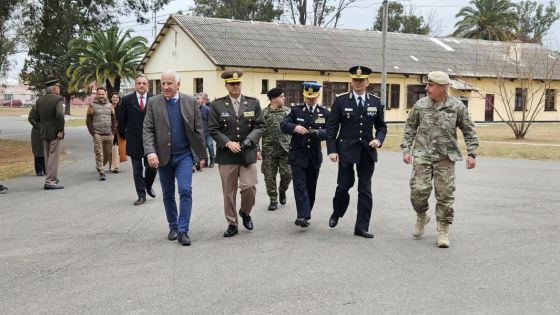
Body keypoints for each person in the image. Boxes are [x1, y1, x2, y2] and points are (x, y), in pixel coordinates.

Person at [401, 71, 479, 248]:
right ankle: (422, 216)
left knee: (445, 195)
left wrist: (472, 153)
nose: (426, 88)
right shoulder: (420, 105)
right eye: (427, 84)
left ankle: (442, 230)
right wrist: (406, 149)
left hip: (446, 157)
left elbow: (469, 130)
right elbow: (410, 128)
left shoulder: (457, 107)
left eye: (431, 85)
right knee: (418, 191)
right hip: (422, 155)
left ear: (442, 88)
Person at [143, 70, 207, 246]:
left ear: (178, 84)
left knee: (185, 190)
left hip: (184, 155)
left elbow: (198, 130)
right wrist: (150, 152)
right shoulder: (153, 102)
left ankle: (183, 230)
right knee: (168, 193)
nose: (165, 87)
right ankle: (173, 226)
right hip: (162, 156)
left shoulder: (191, 102)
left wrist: (201, 155)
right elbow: (147, 129)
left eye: (169, 83)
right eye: (163, 83)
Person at [326, 66, 387, 238]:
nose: (358, 83)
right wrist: (332, 150)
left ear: (367, 82)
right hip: (346, 150)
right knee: (343, 186)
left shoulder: (375, 102)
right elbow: (331, 128)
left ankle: (361, 227)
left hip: (367, 152)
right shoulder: (341, 101)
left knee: (365, 190)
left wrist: (379, 140)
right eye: (355, 80)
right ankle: (337, 212)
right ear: (351, 82)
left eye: (361, 80)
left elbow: (382, 126)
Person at [208, 69, 266, 238]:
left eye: (237, 83)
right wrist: (227, 142)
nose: (235, 87)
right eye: (231, 84)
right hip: (227, 156)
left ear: (241, 84)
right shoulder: (217, 105)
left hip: (247, 154)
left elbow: (260, 125)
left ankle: (245, 212)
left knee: (250, 187)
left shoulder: (253, 103)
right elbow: (213, 129)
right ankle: (232, 223)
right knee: (229, 191)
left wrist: (251, 139)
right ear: (226, 86)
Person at [281, 82, 329, 227]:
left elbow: (331, 132)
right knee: (299, 185)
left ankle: (306, 214)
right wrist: (295, 128)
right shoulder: (296, 110)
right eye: (308, 97)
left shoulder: (324, 113)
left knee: (310, 186)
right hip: (298, 154)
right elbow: (283, 125)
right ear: (304, 96)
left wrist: (319, 133)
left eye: (313, 98)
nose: (310, 100)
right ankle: (302, 215)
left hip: (314, 155)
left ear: (318, 96)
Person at [119, 75, 157, 205]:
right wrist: (126, 134)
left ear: (148, 85)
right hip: (134, 140)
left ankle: (148, 185)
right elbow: (121, 120)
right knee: (137, 169)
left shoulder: (155, 99)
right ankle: (141, 195)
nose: (141, 85)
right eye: (139, 83)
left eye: (144, 83)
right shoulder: (126, 100)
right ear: (135, 85)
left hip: (151, 140)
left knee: (152, 167)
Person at [28, 78, 65, 190]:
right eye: (58, 87)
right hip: (55, 132)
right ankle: (50, 181)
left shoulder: (39, 100)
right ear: (54, 88)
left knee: (48, 156)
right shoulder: (58, 99)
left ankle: (50, 179)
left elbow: (32, 117)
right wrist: (60, 129)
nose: (59, 89)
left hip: (44, 132)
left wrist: (41, 126)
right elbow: (59, 114)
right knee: (53, 157)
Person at [261, 87, 291, 211]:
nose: (284, 98)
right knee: (269, 176)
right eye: (282, 96)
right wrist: (257, 148)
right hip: (269, 151)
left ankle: (282, 190)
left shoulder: (288, 111)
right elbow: (257, 131)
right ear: (274, 98)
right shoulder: (264, 113)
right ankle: (273, 199)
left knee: (288, 174)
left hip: (286, 150)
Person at [86, 87, 116, 181]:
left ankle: (101, 165)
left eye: (103, 94)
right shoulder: (92, 106)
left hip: (108, 133)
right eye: (99, 94)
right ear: (96, 95)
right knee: (99, 153)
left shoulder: (110, 106)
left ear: (106, 94)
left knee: (107, 153)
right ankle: (101, 171)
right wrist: (93, 133)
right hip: (97, 134)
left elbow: (114, 120)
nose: (101, 96)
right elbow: (88, 121)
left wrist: (113, 131)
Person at [195, 92, 215, 168]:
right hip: (199, 133)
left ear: (202, 99)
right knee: (202, 147)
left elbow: (211, 121)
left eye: (198, 98)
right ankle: (205, 161)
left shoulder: (207, 109)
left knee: (209, 145)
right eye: (195, 98)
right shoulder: (194, 109)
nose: (197, 100)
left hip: (208, 132)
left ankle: (212, 160)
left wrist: (211, 130)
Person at [109, 92, 126, 173]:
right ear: (111, 98)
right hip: (108, 131)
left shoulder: (122, 108)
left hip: (118, 131)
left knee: (115, 148)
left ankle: (115, 167)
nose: (115, 98)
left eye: (117, 97)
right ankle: (111, 164)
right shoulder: (107, 107)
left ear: (119, 100)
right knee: (109, 149)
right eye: (113, 97)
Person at [28, 104, 45, 176]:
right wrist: (39, 126)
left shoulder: (51, 105)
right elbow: (31, 118)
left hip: (48, 131)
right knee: (38, 151)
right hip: (37, 132)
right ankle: (39, 170)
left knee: (46, 151)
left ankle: (46, 169)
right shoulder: (36, 107)